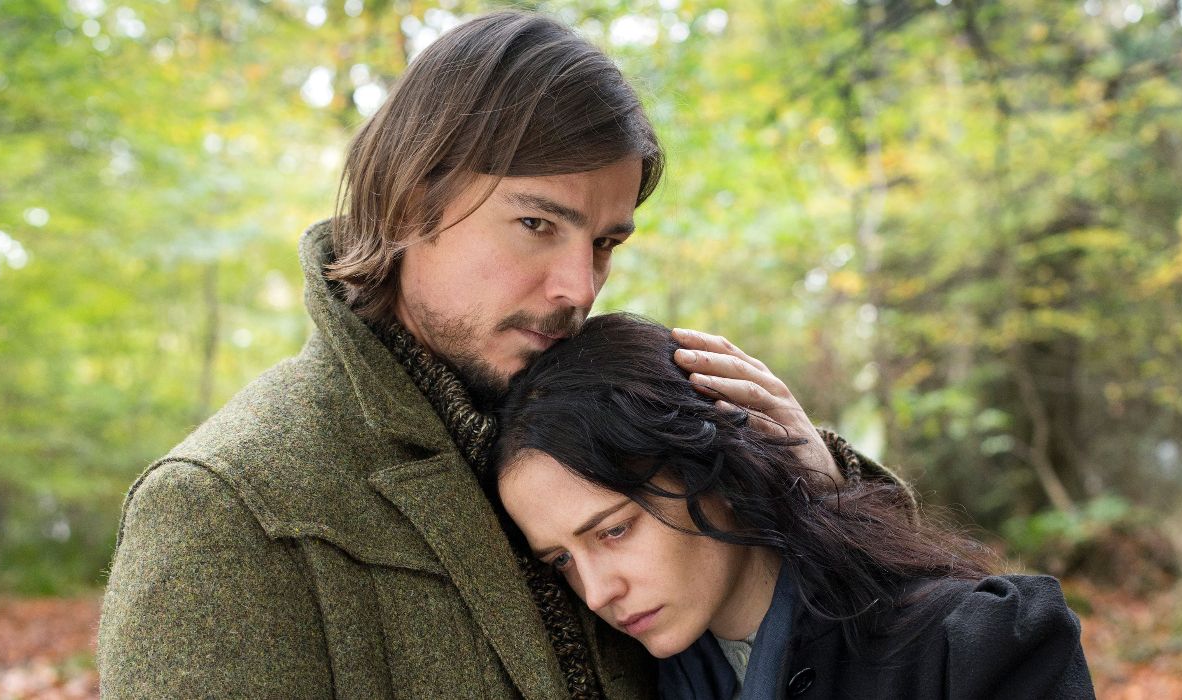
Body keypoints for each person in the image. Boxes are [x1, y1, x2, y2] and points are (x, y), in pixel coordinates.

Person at [97, 10, 903, 698]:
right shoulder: (227, 510)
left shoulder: (611, 419)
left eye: (605, 242)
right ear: (412, 200)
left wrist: (819, 492)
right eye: (537, 225)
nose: (578, 287)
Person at [496, 313, 1098, 700]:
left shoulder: (973, 647)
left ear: (712, 469)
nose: (597, 592)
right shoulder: (640, 684)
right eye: (561, 561)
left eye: (613, 531)